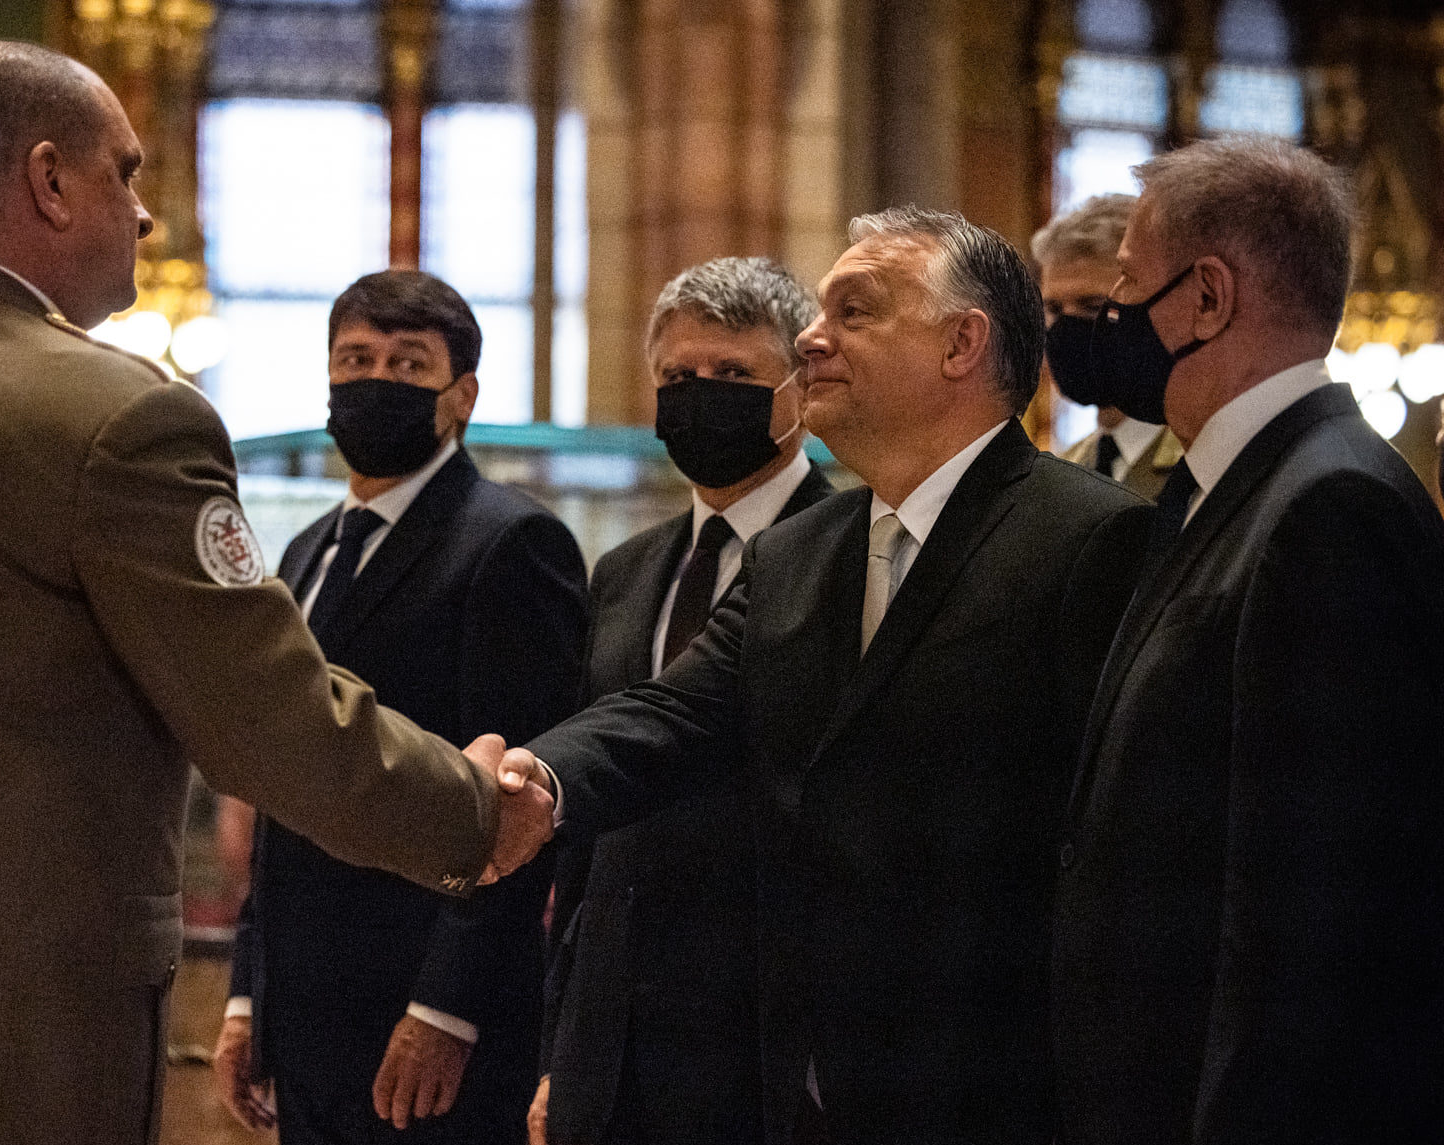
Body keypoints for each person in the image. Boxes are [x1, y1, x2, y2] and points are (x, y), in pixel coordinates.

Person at [0, 41, 548, 1145]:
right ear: (47, 179)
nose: (143, 211)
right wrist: (471, 810)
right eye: (123, 173)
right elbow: (264, 715)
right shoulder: (121, 417)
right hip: (13, 1042)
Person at [491, 208, 1152, 1145]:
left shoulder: (1091, 537)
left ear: (962, 343)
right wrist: (538, 779)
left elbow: (1119, 859)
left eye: (855, 311)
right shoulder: (801, 549)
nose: (811, 337)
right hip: (801, 1090)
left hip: (991, 1088)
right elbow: (672, 713)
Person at [1054, 138, 1444, 1144]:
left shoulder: (1330, 502)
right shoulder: (1223, 486)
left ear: (1206, 297)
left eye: (1127, 283)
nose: (1112, 314)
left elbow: (1310, 914)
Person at [216, 269, 589, 1144]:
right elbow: (284, 787)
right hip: (304, 1011)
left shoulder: (512, 543)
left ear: (462, 396)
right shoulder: (309, 550)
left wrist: (445, 1007)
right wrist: (246, 996)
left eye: (408, 363)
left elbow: (516, 802)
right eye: (355, 359)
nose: (376, 378)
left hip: (425, 1019)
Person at [532, 257, 833, 1145]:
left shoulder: (845, 552)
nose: (701, 395)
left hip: (765, 1038)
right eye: (678, 377)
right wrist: (559, 1048)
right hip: (611, 1042)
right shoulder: (628, 571)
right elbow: (590, 829)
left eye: (733, 374)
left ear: (798, 386)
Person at [1033, 194, 1181, 498]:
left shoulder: (1202, 463)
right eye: (1054, 309)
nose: (1065, 328)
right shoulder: (1066, 470)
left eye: (1093, 306)